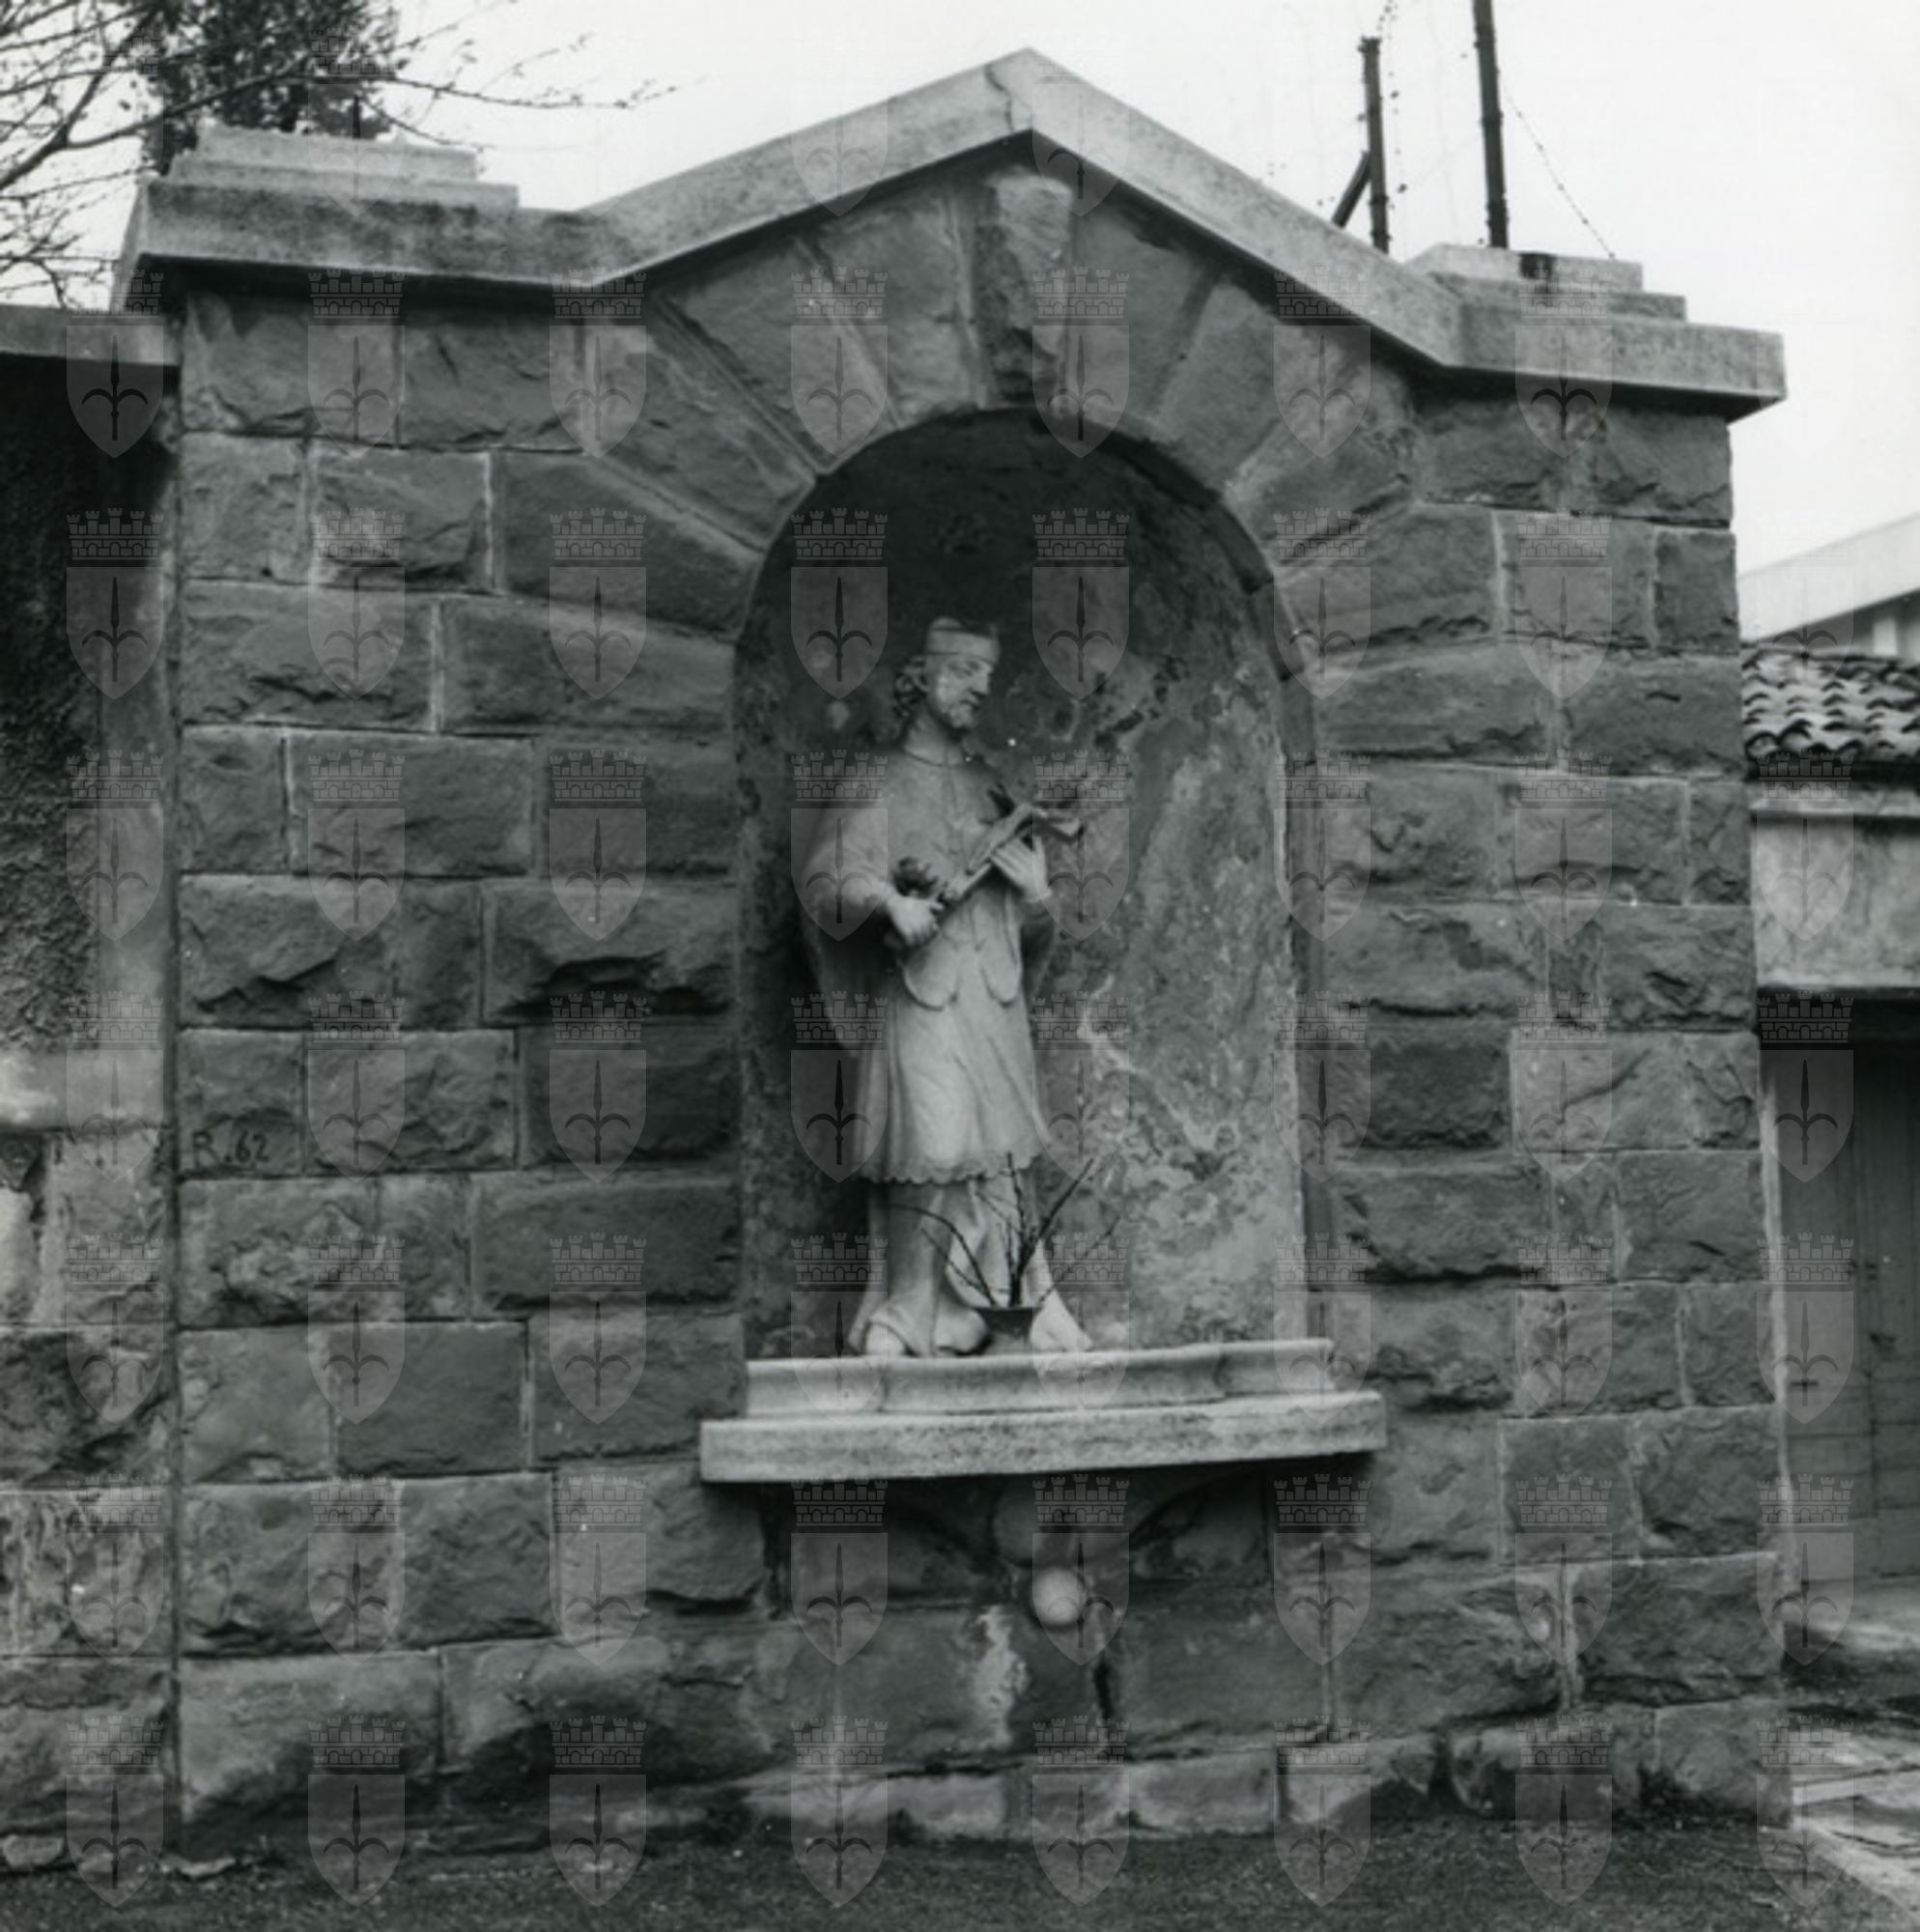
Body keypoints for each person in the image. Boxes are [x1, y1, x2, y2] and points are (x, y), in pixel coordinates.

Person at [799, 618, 1089, 1357]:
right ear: (917, 679)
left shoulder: (991, 786)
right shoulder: (878, 779)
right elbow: (825, 882)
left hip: (993, 997)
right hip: (921, 992)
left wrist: (1037, 895)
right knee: (930, 1143)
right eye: (962, 673)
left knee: (1004, 1152)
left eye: (984, 678)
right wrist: (888, 902)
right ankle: (910, 1310)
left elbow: (1031, 933)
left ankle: (1015, 1305)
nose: (977, 690)